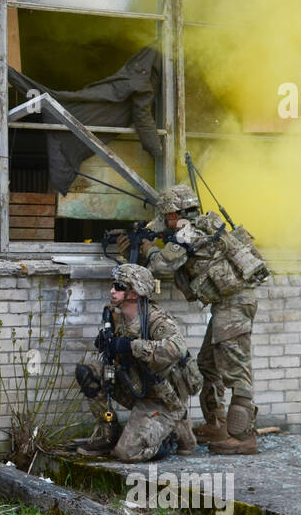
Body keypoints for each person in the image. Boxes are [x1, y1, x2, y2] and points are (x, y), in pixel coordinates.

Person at [141, 184, 266, 455]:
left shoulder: (188, 232)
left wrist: (149, 248)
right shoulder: (203, 226)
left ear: (175, 214)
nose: (166, 220)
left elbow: (162, 266)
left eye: (167, 215)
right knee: (208, 364)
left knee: (236, 370)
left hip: (234, 304)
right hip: (229, 304)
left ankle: (243, 436)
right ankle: (217, 424)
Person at [74, 263, 199, 462]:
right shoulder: (117, 316)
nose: (112, 291)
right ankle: (108, 434)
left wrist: (132, 346)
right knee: (89, 373)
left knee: (127, 453)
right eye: (113, 286)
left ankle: (171, 435)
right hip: (135, 384)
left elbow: (177, 349)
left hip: (162, 398)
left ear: (134, 293)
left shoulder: (157, 321)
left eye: (119, 287)